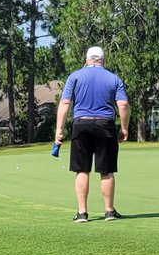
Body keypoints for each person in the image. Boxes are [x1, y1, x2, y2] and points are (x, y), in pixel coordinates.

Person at [53, 46, 129, 222]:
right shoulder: (113, 78)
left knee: (81, 169)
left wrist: (59, 130)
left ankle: (82, 213)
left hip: (81, 124)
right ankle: (109, 211)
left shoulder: (75, 76)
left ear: (87, 59)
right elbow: (123, 105)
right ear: (102, 59)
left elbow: (65, 103)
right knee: (107, 170)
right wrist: (124, 128)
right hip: (105, 125)